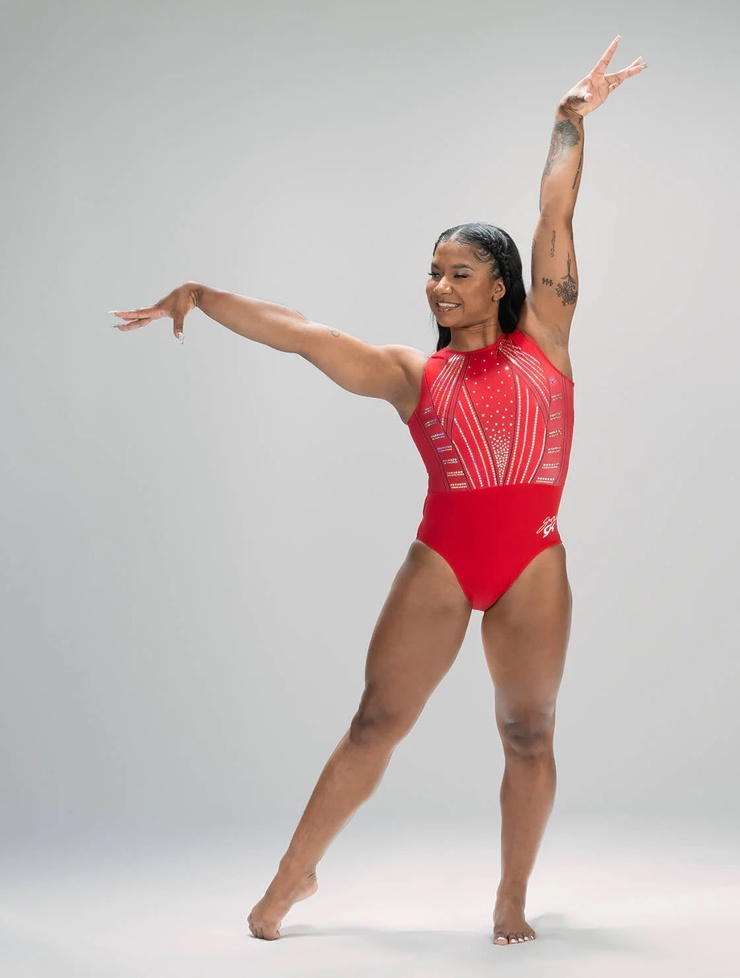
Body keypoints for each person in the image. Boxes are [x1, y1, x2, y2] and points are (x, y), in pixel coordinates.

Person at [109, 36, 646, 947]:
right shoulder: (411, 375)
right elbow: (301, 334)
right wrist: (201, 295)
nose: (439, 286)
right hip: (444, 560)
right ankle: (294, 875)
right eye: (433, 271)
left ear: (501, 286)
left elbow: (556, 211)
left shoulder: (547, 338)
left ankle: (511, 899)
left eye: (459, 273)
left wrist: (568, 120)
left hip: (533, 563)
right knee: (374, 722)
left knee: (529, 734)